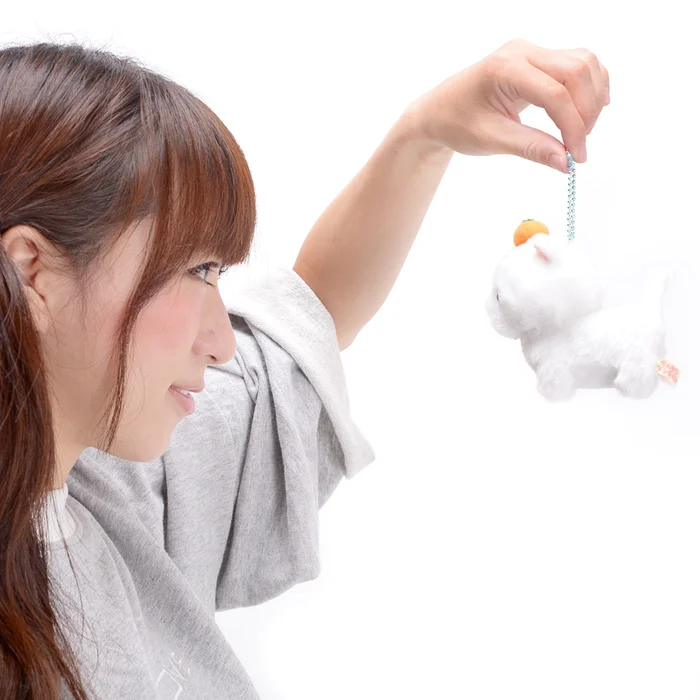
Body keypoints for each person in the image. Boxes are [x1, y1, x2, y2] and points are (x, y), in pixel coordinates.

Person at [0, 38, 609, 699]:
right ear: (33, 271)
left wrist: (426, 133)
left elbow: (303, 325)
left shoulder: (110, 485)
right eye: (196, 270)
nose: (221, 343)